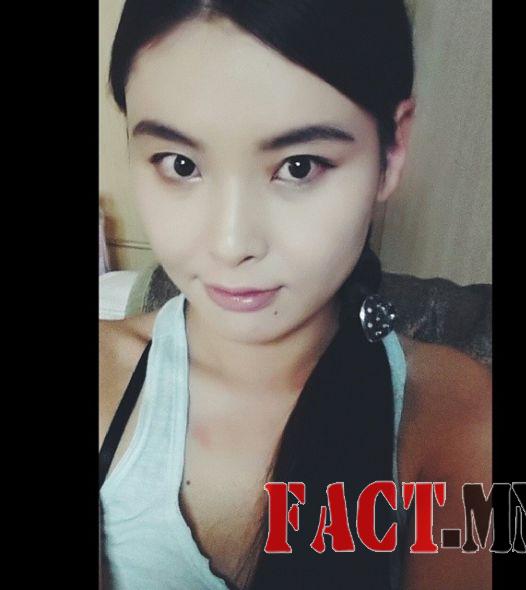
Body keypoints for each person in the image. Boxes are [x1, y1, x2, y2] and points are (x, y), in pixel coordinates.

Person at [99, 1, 492, 589]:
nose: (232, 244)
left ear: (391, 151)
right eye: (180, 165)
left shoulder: (462, 415)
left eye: (300, 166)